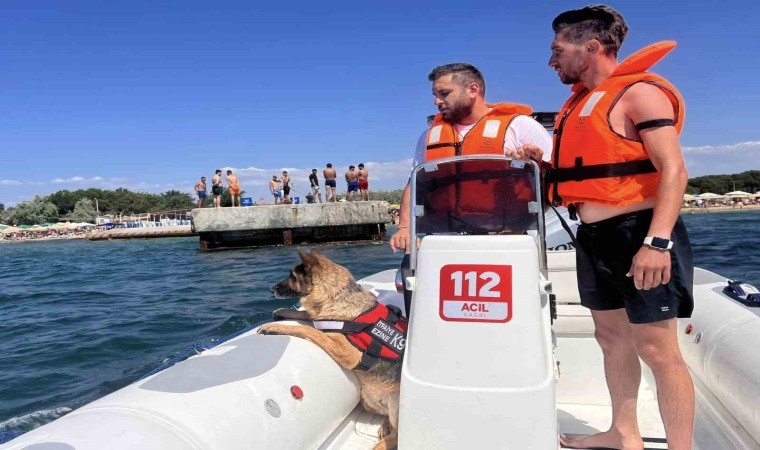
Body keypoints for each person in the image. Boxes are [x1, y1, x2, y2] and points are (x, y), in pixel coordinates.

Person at [514, 6, 693, 450]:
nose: (551, 61)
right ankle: (623, 434)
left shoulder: (640, 94)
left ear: (590, 47)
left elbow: (674, 170)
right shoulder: (578, 104)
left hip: (640, 234)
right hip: (592, 238)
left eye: (557, 50)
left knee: (658, 351)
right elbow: (593, 170)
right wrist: (543, 167)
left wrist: (656, 243)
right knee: (611, 339)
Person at [389, 62, 552, 255]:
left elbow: (552, 182)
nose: (437, 101)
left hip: (507, 241)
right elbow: (415, 184)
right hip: (442, 242)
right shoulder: (428, 137)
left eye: (444, 93)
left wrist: (535, 163)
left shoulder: (521, 127)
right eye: (435, 95)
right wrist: (405, 228)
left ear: (473, 89)